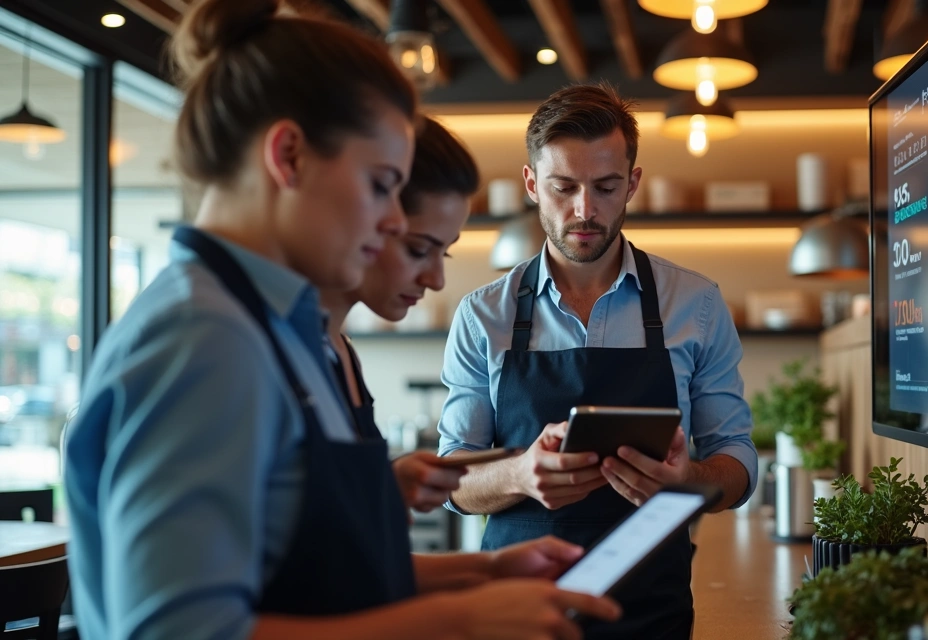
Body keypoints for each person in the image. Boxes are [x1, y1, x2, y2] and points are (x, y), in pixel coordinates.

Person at [62, 2, 619, 639]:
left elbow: (306, 580)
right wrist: (459, 619)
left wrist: (488, 574)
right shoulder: (206, 337)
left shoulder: (274, 328)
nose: (390, 222)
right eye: (382, 184)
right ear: (289, 156)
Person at [437, 82, 759, 639]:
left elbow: (738, 462)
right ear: (533, 184)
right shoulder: (481, 315)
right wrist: (519, 473)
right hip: (516, 614)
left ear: (632, 183)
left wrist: (688, 481)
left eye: (606, 187)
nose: (585, 211)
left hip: (651, 612)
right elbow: (453, 481)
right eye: (564, 187)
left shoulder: (698, 305)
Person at [320, 116, 476, 515]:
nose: (437, 280)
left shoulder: (340, 349)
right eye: (419, 249)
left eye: (446, 253)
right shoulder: (243, 339)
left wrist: (490, 568)